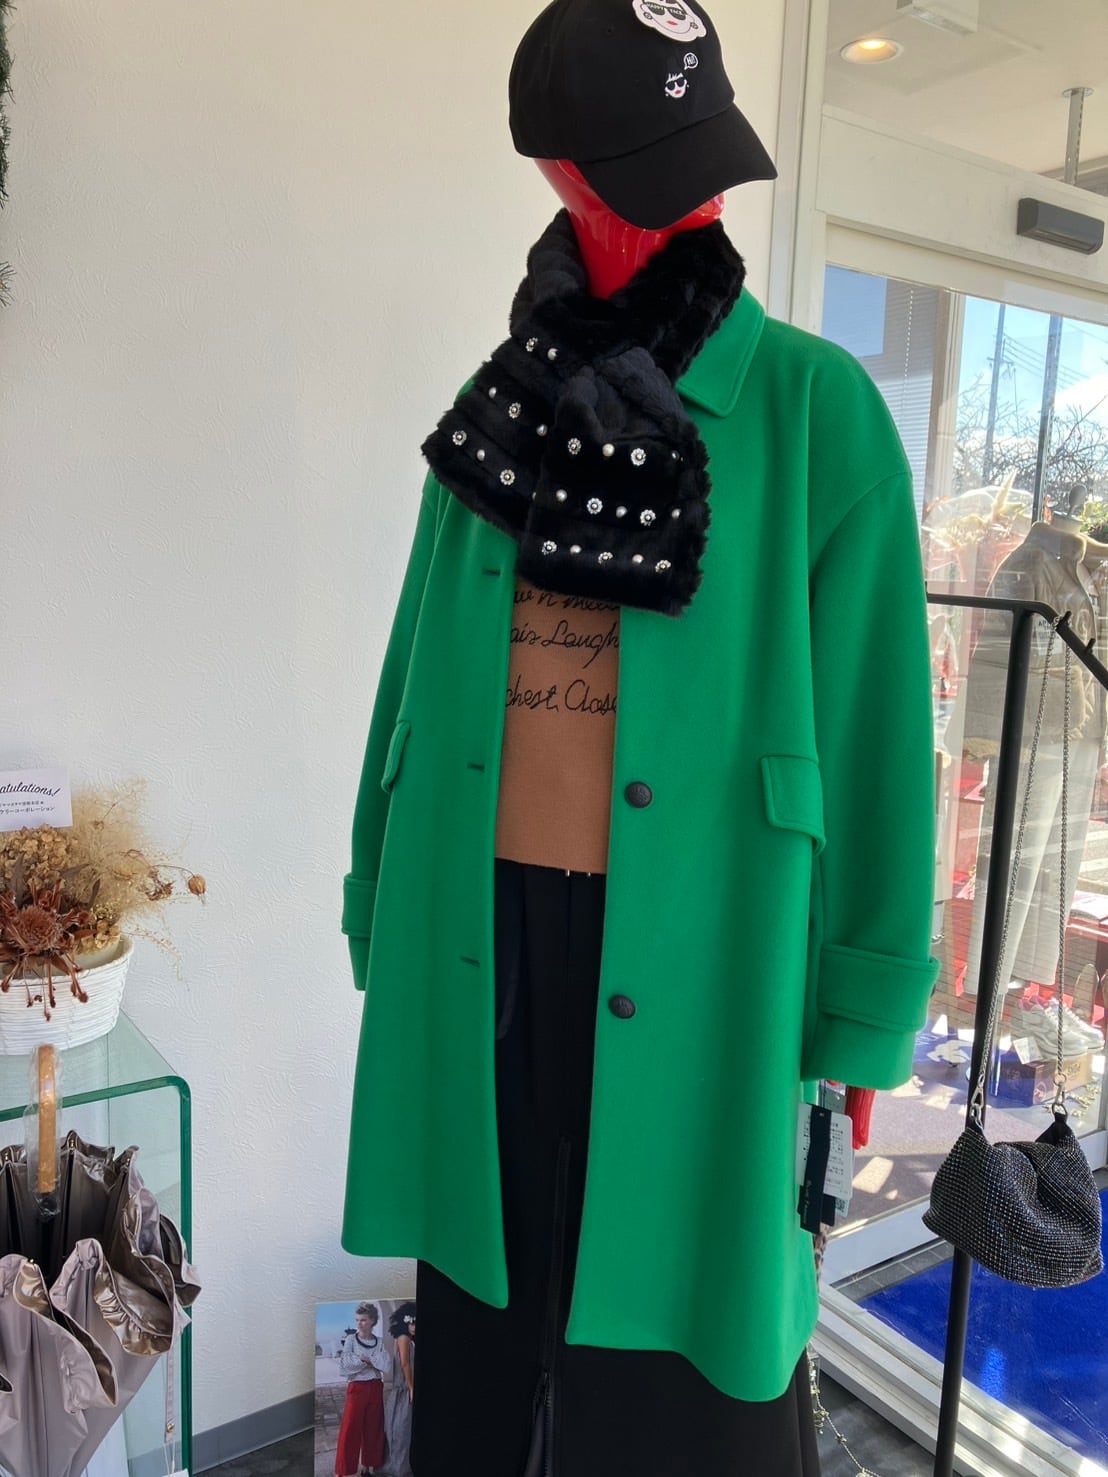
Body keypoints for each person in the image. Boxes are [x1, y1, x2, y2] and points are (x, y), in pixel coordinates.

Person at [341, 1, 938, 1472]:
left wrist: (865, 1004)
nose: (699, 201)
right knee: (486, 1322)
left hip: (713, 945)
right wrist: (374, 889)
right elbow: (414, 670)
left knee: (695, 1354)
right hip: (483, 931)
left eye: (701, 157)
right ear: (560, 171)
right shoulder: (498, 411)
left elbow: (878, 741)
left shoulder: (814, 411)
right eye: (645, 167)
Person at [335, 1301, 392, 1477]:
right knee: (350, 1428)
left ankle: (367, 1468)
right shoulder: (351, 1340)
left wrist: (364, 1360)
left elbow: (386, 1365)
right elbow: (345, 1365)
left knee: (373, 1428)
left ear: (372, 1321)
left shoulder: (379, 1342)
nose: (359, 1323)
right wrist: (370, 1361)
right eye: (357, 1320)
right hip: (357, 1388)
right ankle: (343, 1471)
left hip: (375, 1387)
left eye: (363, 1320)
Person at [383, 1302, 416, 1477]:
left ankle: (402, 1467)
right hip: (403, 1390)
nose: (415, 1327)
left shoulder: (408, 1339)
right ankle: (400, 1470)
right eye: (412, 1323)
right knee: (401, 1432)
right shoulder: (403, 1338)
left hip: (404, 1390)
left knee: (403, 1431)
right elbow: (404, 1363)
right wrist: (411, 1387)